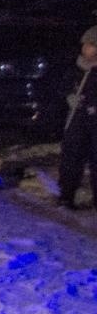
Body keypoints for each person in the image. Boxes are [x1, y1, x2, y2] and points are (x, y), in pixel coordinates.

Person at [58, 26, 97, 210]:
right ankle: (66, 195)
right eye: (85, 45)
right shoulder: (77, 68)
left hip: (93, 120)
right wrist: (69, 96)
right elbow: (63, 86)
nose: (85, 49)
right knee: (72, 157)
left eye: (90, 45)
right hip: (77, 120)